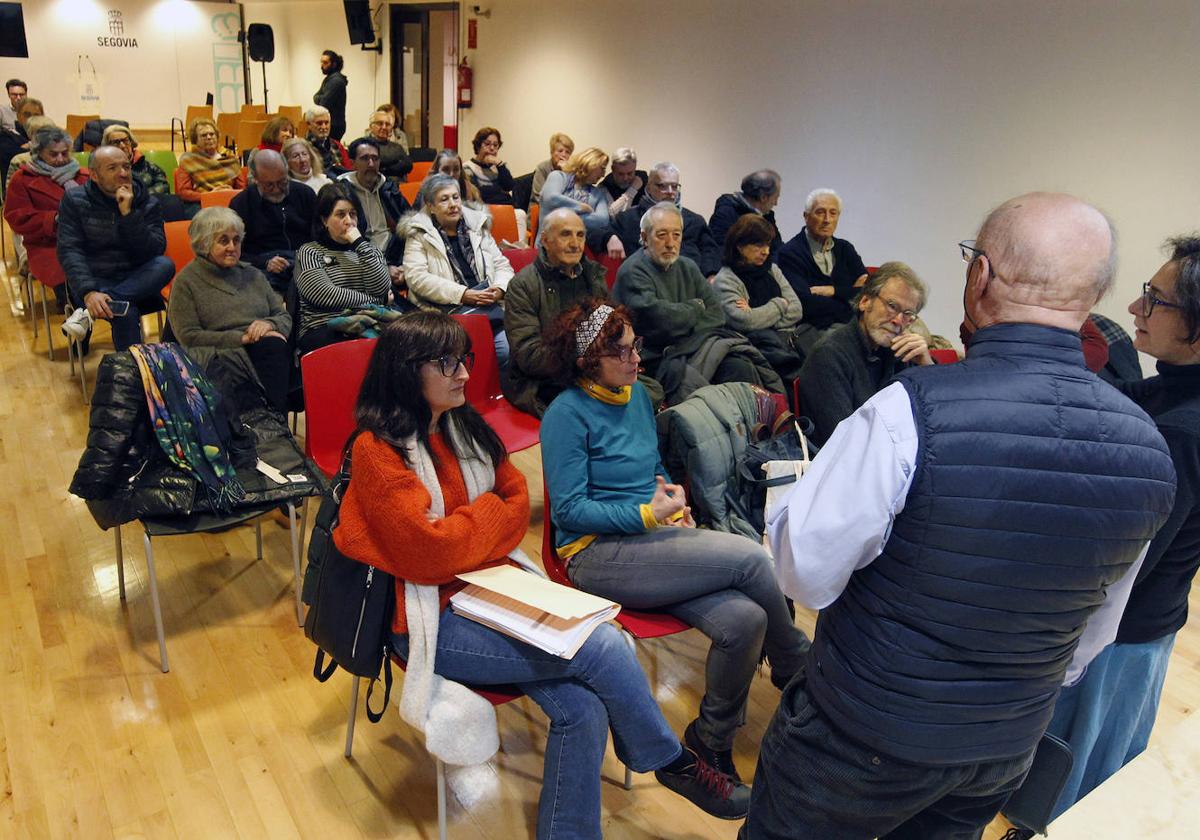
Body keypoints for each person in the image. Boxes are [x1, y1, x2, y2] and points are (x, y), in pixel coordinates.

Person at [744, 192, 1178, 840]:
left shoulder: (907, 413)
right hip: (1003, 746)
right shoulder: (1149, 453)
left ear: (980, 278)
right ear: (1092, 300)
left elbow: (805, 574)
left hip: (864, 735)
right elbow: (1092, 634)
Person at [332, 312, 748, 838]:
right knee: (604, 648)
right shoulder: (378, 451)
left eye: (466, 359)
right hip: (427, 621)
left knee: (584, 704)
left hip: (493, 589)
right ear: (404, 371)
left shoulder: (462, 426)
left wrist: (459, 532)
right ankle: (672, 762)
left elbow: (516, 502)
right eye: (448, 363)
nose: (464, 374)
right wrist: (477, 525)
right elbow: (428, 557)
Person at [541, 299, 812, 803]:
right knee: (750, 557)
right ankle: (797, 664)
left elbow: (648, 470)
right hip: (594, 554)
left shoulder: (638, 397)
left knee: (745, 621)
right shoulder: (566, 414)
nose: (634, 359)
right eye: (620, 353)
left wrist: (666, 494)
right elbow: (570, 512)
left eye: (635, 347)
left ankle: (710, 742)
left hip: (646, 543)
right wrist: (647, 515)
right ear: (588, 361)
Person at [1025, 236, 1200, 827]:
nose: (1135, 309)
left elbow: (1128, 565)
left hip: (1119, 635)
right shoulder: (1178, 388)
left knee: (1070, 783)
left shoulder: (1184, 434)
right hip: (1148, 624)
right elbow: (1129, 396)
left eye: (1156, 299)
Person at [613, 203, 781, 399]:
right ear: (644, 237)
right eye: (662, 235)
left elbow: (716, 314)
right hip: (658, 358)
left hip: (697, 348)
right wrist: (695, 307)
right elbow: (661, 323)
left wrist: (681, 318)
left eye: (676, 235)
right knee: (697, 388)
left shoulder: (688, 266)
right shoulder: (633, 271)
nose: (670, 243)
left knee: (741, 367)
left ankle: (755, 427)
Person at [167, 207, 292, 412]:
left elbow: (283, 316)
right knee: (271, 351)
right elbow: (189, 337)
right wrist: (240, 338)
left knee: (275, 347)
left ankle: (272, 426)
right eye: (223, 241)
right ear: (204, 244)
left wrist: (268, 323)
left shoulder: (253, 274)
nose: (232, 247)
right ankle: (270, 424)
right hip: (217, 355)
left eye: (236, 240)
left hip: (263, 348)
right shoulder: (185, 282)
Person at [798, 262, 933, 444]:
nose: (898, 320)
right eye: (892, 306)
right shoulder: (829, 355)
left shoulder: (902, 353)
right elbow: (845, 442)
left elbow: (937, 424)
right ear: (864, 301)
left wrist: (926, 367)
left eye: (908, 313)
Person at [57, 145, 175, 350]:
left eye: (126, 167)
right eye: (112, 168)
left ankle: (86, 315)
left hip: (136, 278)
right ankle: (134, 376)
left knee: (165, 264)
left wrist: (129, 215)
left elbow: (153, 250)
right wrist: (89, 292)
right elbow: (70, 250)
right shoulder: (75, 200)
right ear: (94, 175)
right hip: (94, 280)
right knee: (124, 312)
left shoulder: (147, 202)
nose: (123, 174)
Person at [503, 209, 609, 417]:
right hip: (543, 381)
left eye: (580, 235)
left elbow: (608, 328)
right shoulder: (523, 285)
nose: (575, 243)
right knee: (598, 412)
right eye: (565, 234)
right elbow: (529, 356)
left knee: (643, 392)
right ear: (544, 240)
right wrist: (586, 355)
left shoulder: (593, 275)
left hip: (591, 371)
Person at [400, 174, 513, 364]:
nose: (453, 204)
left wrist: (499, 289)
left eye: (456, 197)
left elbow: (502, 264)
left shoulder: (477, 227)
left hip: (488, 307)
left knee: (507, 351)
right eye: (444, 199)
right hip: (444, 313)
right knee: (459, 358)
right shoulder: (418, 233)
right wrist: (463, 294)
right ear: (431, 206)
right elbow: (416, 278)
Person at [294, 184, 392, 353]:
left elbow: (380, 287)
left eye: (353, 214)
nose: (349, 221)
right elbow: (324, 295)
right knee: (363, 347)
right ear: (324, 220)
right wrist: (378, 301)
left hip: (371, 320)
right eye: (340, 214)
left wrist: (360, 244)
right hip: (325, 325)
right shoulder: (309, 251)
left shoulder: (369, 250)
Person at [712, 215, 805, 385]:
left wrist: (758, 314)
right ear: (740, 246)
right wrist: (780, 304)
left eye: (768, 244)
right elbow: (745, 321)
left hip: (788, 342)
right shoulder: (725, 280)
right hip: (757, 351)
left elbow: (797, 309)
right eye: (758, 245)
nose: (766, 251)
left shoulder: (772, 270)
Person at [3, 127, 89, 310]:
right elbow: (16, 217)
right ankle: (74, 309)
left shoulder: (84, 175)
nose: (60, 159)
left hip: (88, 238)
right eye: (53, 154)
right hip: (48, 243)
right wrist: (54, 219)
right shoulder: (22, 179)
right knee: (67, 269)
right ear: (39, 153)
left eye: (64, 153)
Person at [608, 161, 721, 278]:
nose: (670, 192)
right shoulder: (628, 218)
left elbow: (710, 251)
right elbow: (596, 232)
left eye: (674, 186)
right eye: (663, 186)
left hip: (689, 285)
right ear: (649, 188)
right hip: (644, 282)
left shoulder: (695, 221)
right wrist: (610, 237)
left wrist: (711, 275)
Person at [777, 188, 870, 330]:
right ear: (806, 216)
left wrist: (833, 291)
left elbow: (868, 291)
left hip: (853, 324)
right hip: (816, 329)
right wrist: (850, 295)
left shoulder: (845, 248)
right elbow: (806, 304)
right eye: (820, 212)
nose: (827, 220)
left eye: (833, 213)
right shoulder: (790, 253)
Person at [230, 150, 317, 295]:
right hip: (264, 270)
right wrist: (265, 262)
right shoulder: (241, 204)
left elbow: (319, 235)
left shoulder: (305, 194)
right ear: (255, 179)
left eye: (282, 182)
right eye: (269, 185)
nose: (276, 190)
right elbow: (237, 252)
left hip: (305, 262)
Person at [337, 137, 411, 263]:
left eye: (375, 159)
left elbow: (409, 221)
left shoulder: (389, 189)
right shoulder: (342, 191)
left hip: (393, 254)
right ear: (352, 163)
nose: (371, 164)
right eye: (365, 158)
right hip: (358, 258)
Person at [101, 124, 189, 223]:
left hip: (149, 210)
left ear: (131, 143)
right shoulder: (103, 172)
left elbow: (163, 186)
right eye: (116, 142)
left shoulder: (150, 168)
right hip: (119, 212)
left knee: (172, 202)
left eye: (125, 140)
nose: (122, 145)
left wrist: (138, 197)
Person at [538, 147, 610, 245]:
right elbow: (550, 199)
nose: (603, 174)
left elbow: (603, 220)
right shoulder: (558, 176)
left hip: (578, 249)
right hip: (548, 247)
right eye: (602, 168)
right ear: (591, 163)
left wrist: (562, 213)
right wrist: (580, 207)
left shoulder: (597, 193)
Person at [708, 169, 782, 260]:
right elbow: (719, 251)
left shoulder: (767, 217)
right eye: (775, 198)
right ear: (763, 197)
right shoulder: (725, 214)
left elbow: (777, 248)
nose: (776, 203)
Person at [175, 117, 246, 207]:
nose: (209, 137)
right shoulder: (188, 160)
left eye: (212, 134)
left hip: (230, 200)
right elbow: (183, 192)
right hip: (202, 204)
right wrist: (210, 196)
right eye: (204, 135)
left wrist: (231, 192)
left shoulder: (229, 157)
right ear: (195, 140)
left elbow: (242, 188)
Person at [0, 96, 44, 194]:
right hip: (17, 193)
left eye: (36, 115)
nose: (31, 119)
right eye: (27, 115)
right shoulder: (6, 136)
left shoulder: (48, 137)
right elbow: (17, 157)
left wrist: (29, 146)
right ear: (18, 115)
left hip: (43, 189)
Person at [462, 126, 515, 205]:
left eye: (495, 145)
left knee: (521, 213)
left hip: (503, 209)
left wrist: (500, 165)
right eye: (487, 144)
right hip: (482, 211)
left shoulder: (499, 167)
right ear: (478, 146)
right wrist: (501, 193)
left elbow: (509, 187)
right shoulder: (467, 167)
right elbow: (477, 194)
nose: (492, 148)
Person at [415, 149, 482, 209]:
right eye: (445, 170)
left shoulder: (469, 189)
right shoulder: (427, 189)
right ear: (437, 171)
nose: (451, 175)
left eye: (456, 169)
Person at [364, 109, 412, 182]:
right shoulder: (364, 145)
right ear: (371, 127)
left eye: (387, 124)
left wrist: (385, 168)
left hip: (400, 187)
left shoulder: (397, 147)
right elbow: (373, 166)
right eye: (380, 123)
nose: (384, 127)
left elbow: (408, 165)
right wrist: (396, 163)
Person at [600, 147, 647, 217]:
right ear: (613, 169)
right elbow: (613, 216)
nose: (625, 178)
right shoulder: (604, 186)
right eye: (621, 174)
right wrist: (632, 190)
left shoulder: (643, 177)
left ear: (635, 167)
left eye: (630, 173)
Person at [304, 105, 350, 174]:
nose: (324, 127)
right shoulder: (302, 147)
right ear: (309, 125)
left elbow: (348, 170)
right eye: (319, 123)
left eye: (326, 123)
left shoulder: (337, 145)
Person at [530, 131, 574, 205]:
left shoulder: (571, 171)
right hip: (541, 210)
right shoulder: (542, 168)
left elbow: (574, 196)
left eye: (567, 152)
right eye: (560, 151)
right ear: (552, 152)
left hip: (565, 210)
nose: (563, 154)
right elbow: (539, 197)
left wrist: (566, 172)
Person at [313, 50, 347, 140]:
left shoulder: (336, 81)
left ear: (334, 64)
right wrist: (319, 98)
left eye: (325, 63)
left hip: (334, 126)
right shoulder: (329, 79)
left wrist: (319, 98)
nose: (322, 66)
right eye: (321, 62)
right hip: (331, 124)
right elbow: (315, 97)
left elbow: (324, 103)